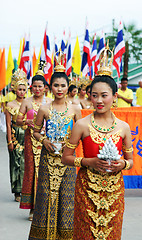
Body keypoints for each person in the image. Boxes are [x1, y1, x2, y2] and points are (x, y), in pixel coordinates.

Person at [62, 45, 133, 240]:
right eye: (94, 95)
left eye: (104, 95)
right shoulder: (82, 125)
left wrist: (123, 164)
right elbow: (66, 157)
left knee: (112, 233)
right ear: (90, 97)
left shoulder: (124, 127)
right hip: (87, 188)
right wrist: (89, 162)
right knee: (85, 233)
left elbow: (130, 161)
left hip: (114, 190)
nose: (99, 100)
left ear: (114, 97)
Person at [28, 56, 81, 239]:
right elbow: (35, 131)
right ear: (50, 87)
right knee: (45, 197)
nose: (59, 89)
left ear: (68, 87)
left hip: (67, 159)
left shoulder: (75, 109)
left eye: (63, 85)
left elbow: (80, 133)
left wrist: (70, 145)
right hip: (47, 157)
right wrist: (44, 141)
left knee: (66, 198)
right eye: (56, 85)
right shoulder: (44, 108)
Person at [16, 70, 52, 220]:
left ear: (45, 87)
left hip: (47, 141)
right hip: (31, 140)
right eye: (35, 86)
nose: (37, 89)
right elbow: (17, 120)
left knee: (47, 172)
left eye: (40, 86)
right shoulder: (27, 102)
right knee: (32, 173)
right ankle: (33, 208)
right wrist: (26, 122)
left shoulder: (50, 102)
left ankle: (46, 207)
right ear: (31, 88)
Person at [5, 69, 28, 202]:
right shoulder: (10, 105)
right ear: (15, 89)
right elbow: (8, 124)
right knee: (16, 163)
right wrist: (9, 141)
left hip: (27, 134)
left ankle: (26, 190)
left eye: (24, 89)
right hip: (15, 134)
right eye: (19, 89)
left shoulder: (29, 103)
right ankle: (17, 191)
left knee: (27, 163)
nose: (21, 92)